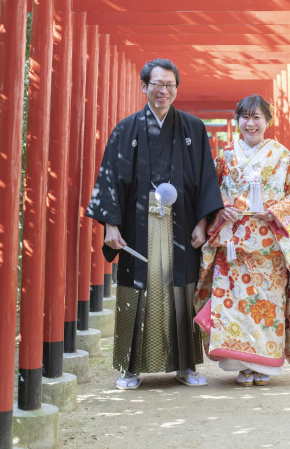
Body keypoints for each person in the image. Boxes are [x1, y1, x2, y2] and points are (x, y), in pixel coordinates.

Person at [86, 58, 224, 390]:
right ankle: (130, 368)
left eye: (170, 85)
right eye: (157, 84)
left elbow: (205, 177)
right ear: (144, 86)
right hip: (138, 221)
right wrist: (111, 226)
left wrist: (203, 222)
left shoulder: (192, 127)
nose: (163, 91)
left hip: (182, 220)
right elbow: (110, 180)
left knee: (181, 288)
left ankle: (185, 366)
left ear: (176, 88)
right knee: (136, 287)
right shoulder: (126, 129)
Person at [194, 94, 290, 386]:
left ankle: (264, 365)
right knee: (234, 303)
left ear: (268, 121)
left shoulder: (282, 156)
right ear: (238, 121)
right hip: (232, 242)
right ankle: (242, 365)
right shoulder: (226, 155)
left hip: (268, 243)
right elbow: (208, 189)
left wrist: (277, 212)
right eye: (245, 117)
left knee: (266, 303)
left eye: (257, 117)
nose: (250, 123)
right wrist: (222, 206)